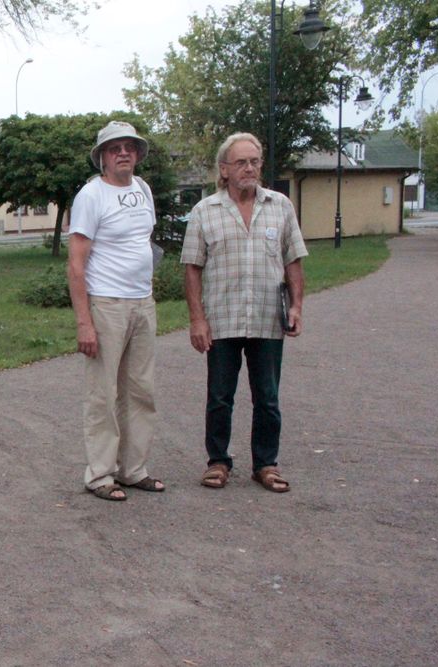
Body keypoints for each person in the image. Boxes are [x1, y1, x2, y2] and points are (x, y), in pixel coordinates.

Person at [181, 132, 306, 493]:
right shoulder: (205, 211)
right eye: (241, 162)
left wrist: (297, 306)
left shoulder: (280, 206)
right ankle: (218, 461)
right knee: (220, 397)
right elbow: (192, 268)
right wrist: (197, 319)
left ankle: (265, 464)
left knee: (267, 397)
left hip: (267, 318)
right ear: (224, 169)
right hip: (222, 319)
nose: (249, 168)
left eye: (254, 161)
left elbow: (293, 259)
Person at [67, 120, 164, 501]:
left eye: (129, 147)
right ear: (103, 158)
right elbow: (76, 263)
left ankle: (133, 469)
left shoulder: (143, 189)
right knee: (103, 394)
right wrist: (84, 322)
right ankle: (100, 474)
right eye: (114, 148)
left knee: (141, 390)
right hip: (107, 304)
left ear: (138, 154)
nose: (123, 153)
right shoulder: (91, 196)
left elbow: (143, 241)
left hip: (143, 302)